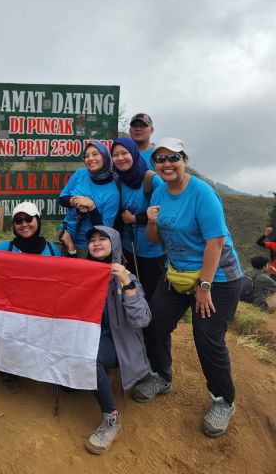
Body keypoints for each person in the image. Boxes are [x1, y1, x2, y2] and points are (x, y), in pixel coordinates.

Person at [131, 138, 243, 439]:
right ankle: (161, 377)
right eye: (160, 159)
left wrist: (204, 287)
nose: (167, 164)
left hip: (217, 278)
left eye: (173, 158)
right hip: (179, 274)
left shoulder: (202, 193)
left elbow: (215, 243)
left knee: (206, 337)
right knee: (154, 323)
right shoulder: (160, 191)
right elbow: (155, 238)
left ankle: (223, 400)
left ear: (185, 159)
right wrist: (151, 222)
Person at [84, 226, 151, 455]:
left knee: (90, 359)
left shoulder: (126, 277)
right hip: (90, 335)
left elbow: (142, 319)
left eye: (103, 238)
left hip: (118, 341)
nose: (96, 243)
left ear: (114, 244)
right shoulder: (84, 273)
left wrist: (127, 283)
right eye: (92, 239)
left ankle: (111, 419)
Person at [0, 201, 61, 391]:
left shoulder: (54, 250)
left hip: (43, 308)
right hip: (13, 308)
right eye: (18, 220)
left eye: (29, 219)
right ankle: (7, 370)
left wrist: (71, 250)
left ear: (37, 220)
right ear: (13, 226)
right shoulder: (4, 248)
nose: (24, 224)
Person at [111, 137, 166, 302]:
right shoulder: (118, 181)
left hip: (154, 251)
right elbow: (119, 216)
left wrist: (134, 218)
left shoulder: (151, 180)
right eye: (115, 154)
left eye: (124, 153)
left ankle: (150, 328)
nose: (120, 158)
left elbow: (163, 213)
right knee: (130, 294)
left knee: (151, 297)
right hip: (129, 249)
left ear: (134, 154)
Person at [58, 141, 120, 256]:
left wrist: (91, 206)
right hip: (66, 237)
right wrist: (74, 201)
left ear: (105, 156)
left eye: (95, 154)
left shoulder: (113, 193)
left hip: (90, 247)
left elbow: (104, 231)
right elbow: (62, 199)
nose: (90, 158)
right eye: (86, 156)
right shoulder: (81, 173)